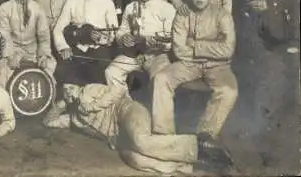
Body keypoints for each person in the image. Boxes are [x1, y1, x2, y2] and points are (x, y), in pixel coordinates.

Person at [43, 73, 234, 174]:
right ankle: (194, 165)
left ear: (78, 85)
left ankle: (199, 146)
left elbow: (118, 91)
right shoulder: (74, 119)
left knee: (141, 141)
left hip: (128, 111)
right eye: (65, 91)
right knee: (135, 159)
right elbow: (48, 121)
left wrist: (89, 104)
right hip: (119, 138)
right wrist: (60, 104)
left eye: (71, 87)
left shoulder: (90, 90)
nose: (69, 91)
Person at [233, 0, 299, 135]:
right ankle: (251, 122)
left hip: (271, 28)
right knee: (248, 73)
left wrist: (270, 4)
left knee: (269, 75)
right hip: (246, 26)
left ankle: (269, 124)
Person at [152, 0, 238, 141]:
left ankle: (205, 135)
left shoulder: (223, 15)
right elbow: (178, 50)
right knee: (161, 78)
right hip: (188, 64)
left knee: (229, 91)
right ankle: (163, 134)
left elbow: (227, 50)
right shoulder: (183, 14)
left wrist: (195, 44)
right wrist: (211, 48)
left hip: (218, 67)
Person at [105, 0, 176, 88]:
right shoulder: (130, 7)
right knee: (111, 72)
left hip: (157, 56)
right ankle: (124, 104)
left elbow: (170, 41)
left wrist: (147, 42)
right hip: (134, 55)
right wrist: (123, 38)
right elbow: (122, 30)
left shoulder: (167, 8)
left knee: (160, 79)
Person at [53, 0, 118, 86]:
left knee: (100, 76)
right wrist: (63, 47)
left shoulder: (107, 2)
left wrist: (101, 38)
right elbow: (58, 29)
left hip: (98, 49)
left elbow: (114, 33)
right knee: (62, 71)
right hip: (77, 48)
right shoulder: (71, 2)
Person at [0, 0, 56, 87]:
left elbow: (44, 36)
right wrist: (10, 56)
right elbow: (5, 34)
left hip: (32, 51)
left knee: (49, 70)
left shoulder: (38, 9)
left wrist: (43, 55)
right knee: (2, 74)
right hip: (14, 50)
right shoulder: (5, 7)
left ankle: (44, 102)